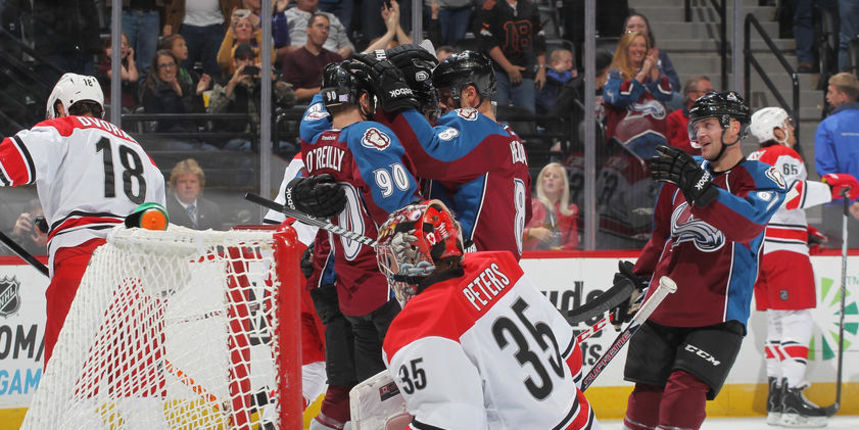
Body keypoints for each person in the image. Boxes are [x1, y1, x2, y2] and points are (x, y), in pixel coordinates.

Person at [614, 91, 788, 430]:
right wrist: (637, 279)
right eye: (697, 126)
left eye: (708, 125)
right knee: (644, 405)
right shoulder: (682, 176)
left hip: (716, 314)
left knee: (683, 397)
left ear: (733, 128)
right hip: (662, 308)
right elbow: (662, 237)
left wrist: (701, 187)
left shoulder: (760, 176)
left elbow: (747, 224)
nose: (699, 133)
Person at [376, 199, 598, 429]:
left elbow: (455, 424)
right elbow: (569, 351)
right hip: (584, 420)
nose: (391, 272)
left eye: (393, 261)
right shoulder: (499, 264)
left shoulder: (419, 327)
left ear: (414, 260)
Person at [0, 73, 166, 365]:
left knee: (66, 378)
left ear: (60, 107)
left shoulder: (62, 128)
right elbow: (155, 223)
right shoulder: (140, 152)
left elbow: (7, 162)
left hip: (80, 262)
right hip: (137, 279)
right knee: (135, 385)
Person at [295, 59, 422, 429]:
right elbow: (401, 207)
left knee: (363, 397)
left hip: (348, 288)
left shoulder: (316, 141)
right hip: (385, 284)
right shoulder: (369, 135)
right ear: (365, 99)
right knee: (402, 395)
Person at [357, 49, 533, 259]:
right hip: (504, 269)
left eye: (446, 96)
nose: (440, 104)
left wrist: (396, 93)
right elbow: (526, 213)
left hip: (472, 266)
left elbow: (427, 154)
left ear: (470, 94)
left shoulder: (475, 125)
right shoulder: (512, 141)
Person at [747, 106, 859, 427]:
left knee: (778, 323)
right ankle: (793, 400)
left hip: (761, 249)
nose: (793, 129)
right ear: (777, 131)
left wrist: (803, 230)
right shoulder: (784, 154)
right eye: (788, 124)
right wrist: (831, 188)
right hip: (784, 253)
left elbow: (766, 205)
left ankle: (777, 400)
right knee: (797, 320)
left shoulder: (752, 159)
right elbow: (788, 195)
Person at [209, 42, 296, 147]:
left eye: (250, 59)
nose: (247, 62)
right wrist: (232, 84)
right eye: (242, 59)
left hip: (267, 138)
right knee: (252, 148)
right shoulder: (224, 84)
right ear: (235, 62)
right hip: (237, 138)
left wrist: (274, 80)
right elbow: (214, 112)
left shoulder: (265, 83)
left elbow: (291, 101)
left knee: (287, 147)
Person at [603, 31, 673, 159]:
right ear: (625, 49)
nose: (639, 49)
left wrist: (653, 68)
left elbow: (666, 95)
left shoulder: (653, 72)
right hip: (628, 141)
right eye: (634, 45)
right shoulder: (615, 74)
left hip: (658, 138)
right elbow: (622, 99)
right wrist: (642, 74)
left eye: (643, 45)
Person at [476, 0, 546, 113]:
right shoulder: (490, 6)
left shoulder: (530, 6)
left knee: (527, 114)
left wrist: (542, 69)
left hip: (524, 69)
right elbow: (488, 41)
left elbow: (539, 39)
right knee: (497, 114)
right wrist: (509, 68)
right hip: (496, 70)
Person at [814, 72, 859, 247]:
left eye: (830, 92)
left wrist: (851, 202)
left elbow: (826, 171)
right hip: (846, 204)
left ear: (842, 96)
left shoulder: (827, 126)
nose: (827, 97)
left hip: (839, 207)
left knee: (839, 258)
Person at [163, 0, 240, 78]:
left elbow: (234, 5)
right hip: (186, 26)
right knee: (182, 69)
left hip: (216, 27)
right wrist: (169, 22)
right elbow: (170, 4)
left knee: (215, 71)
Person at [623, 12, 683, 110]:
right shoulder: (617, 55)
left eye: (640, 26)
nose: (636, 29)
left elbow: (674, 84)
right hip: (628, 94)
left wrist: (656, 69)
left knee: (678, 99)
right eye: (631, 26)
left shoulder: (660, 55)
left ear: (648, 30)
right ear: (625, 31)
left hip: (656, 94)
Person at [281, 13, 343, 102]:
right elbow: (292, 94)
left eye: (327, 28)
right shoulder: (293, 57)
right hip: (304, 107)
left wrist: (345, 99)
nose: (324, 31)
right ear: (308, 30)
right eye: (320, 26)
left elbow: (344, 94)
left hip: (334, 106)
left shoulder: (335, 58)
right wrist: (325, 91)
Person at [141, 50, 206, 132]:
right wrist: (178, 96)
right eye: (163, 66)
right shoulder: (151, 91)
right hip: (165, 136)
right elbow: (166, 123)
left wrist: (197, 95)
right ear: (156, 70)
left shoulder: (185, 86)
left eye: (171, 64)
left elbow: (200, 121)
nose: (168, 69)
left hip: (190, 135)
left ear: (176, 67)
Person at [523, 162, 579, 250]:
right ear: (541, 182)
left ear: (563, 185)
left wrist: (562, 249)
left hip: (558, 257)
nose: (550, 178)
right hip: (532, 256)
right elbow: (513, 235)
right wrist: (531, 232)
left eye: (555, 176)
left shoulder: (569, 212)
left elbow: (573, 243)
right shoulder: (530, 205)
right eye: (547, 176)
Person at [280, 0, 354, 59]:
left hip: (332, 64)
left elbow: (348, 46)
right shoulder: (285, 16)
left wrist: (348, 49)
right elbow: (276, 52)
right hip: (301, 62)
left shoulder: (332, 18)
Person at [166, 159, 223, 230]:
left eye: (193, 182)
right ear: (174, 185)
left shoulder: (212, 209)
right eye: (183, 181)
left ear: (200, 185)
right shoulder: (166, 209)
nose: (188, 186)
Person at [665, 75, 714, 154]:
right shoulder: (674, 118)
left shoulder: (715, 118)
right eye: (707, 92)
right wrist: (699, 139)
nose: (712, 96)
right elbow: (672, 149)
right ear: (692, 95)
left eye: (712, 92)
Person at [96, 33, 140, 112]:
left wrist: (131, 59)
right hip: (112, 110)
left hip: (130, 110)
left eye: (125, 44)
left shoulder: (129, 65)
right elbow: (124, 76)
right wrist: (115, 57)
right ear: (109, 48)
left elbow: (132, 78)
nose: (122, 47)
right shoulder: (104, 67)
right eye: (119, 43)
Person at [216, 11, 266, 76]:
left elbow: (270, 60)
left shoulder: (257, 52)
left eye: (247, 26)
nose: (244, 28)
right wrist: (231, 28)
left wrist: (257, 29)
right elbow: (222, 62)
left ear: (253, 34)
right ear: (234, 34)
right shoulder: (229, 54)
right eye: (240, 26)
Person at [536, 48, 577, 117]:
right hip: (549, 104)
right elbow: (557, 80)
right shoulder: (547, 74)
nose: (571, 65)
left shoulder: (568, 73)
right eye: (567, 62)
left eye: (571, 62)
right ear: (554, 64)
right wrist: (572, 78)